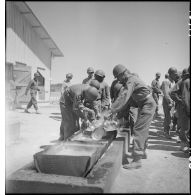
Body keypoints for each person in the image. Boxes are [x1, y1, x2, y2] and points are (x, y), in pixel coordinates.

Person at [106, 64, 156, 169]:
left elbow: (124, 96)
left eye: (118, 77)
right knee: (143, 129)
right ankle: (142, 152)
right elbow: (128, 101)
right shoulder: (131, 79)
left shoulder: (131, 80)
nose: (118, 81)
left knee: (138, 129)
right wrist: (116, 111)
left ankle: (137, 160)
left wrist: (112, 110)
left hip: (147, 104)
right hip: (145, 104)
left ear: (122, 74)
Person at [161, 73, 174, 139]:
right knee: (168, 117)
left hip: (169, 101)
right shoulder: (166, 81)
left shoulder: (170, 82)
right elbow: (166, 93)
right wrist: (170, 101)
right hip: (167, 102)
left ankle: (166, 132)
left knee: (168, 117)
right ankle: (166, 133)